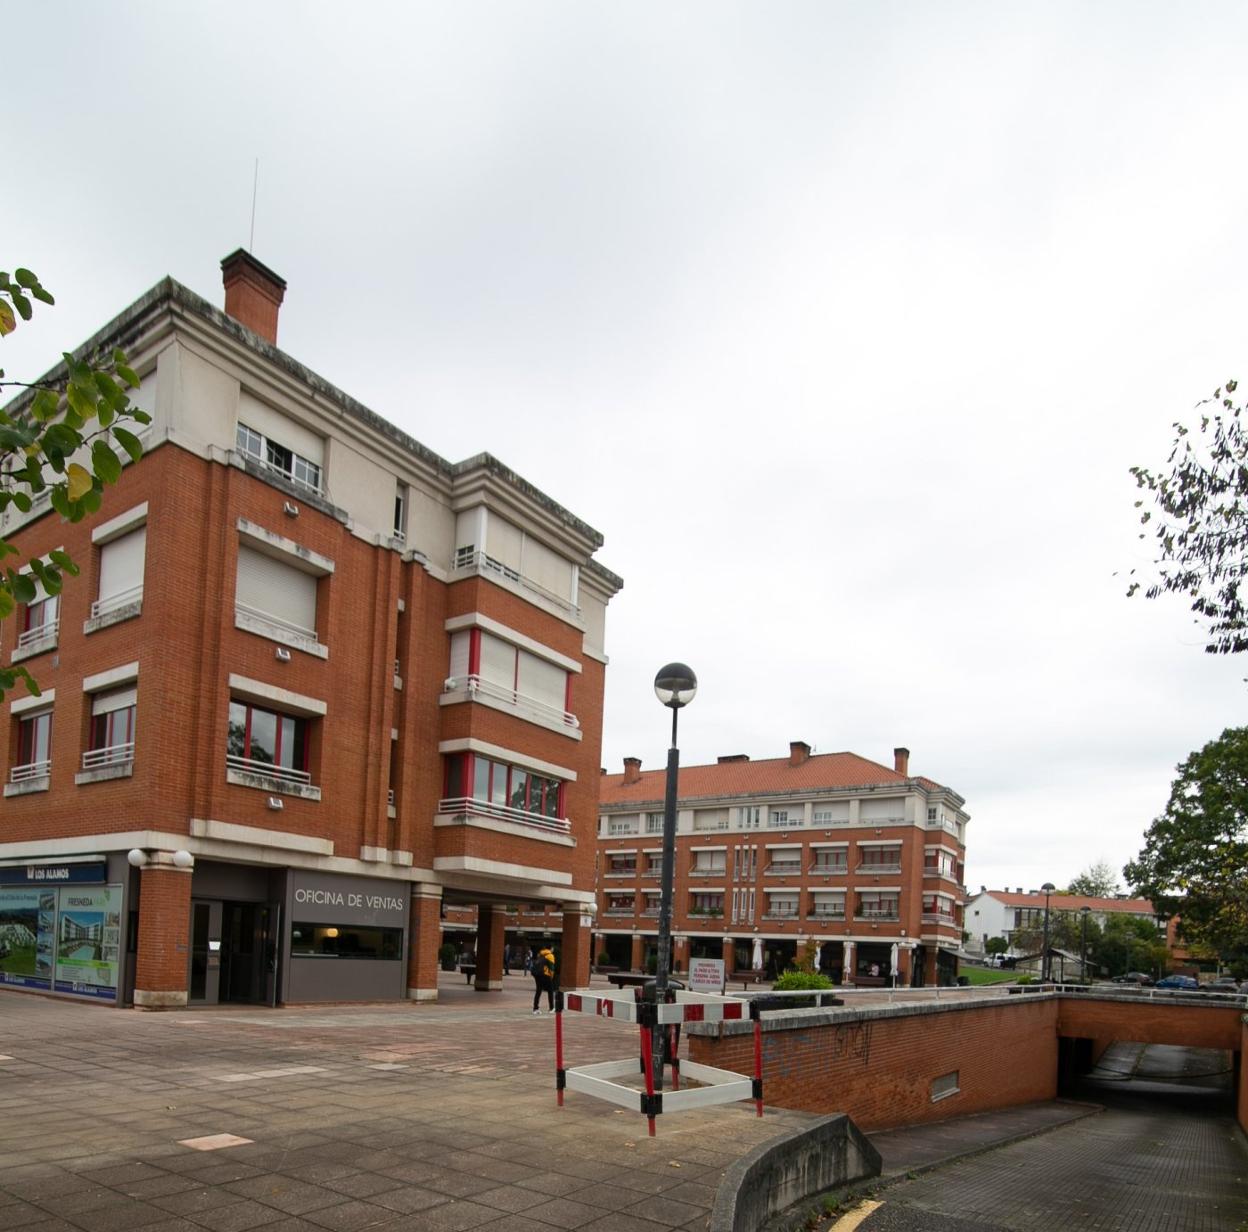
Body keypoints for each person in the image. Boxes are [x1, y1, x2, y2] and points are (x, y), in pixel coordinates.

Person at [531, 945, 556, 1014]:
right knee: (550, 991)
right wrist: (551, 976)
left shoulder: (540, 954)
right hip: (545, 975)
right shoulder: (550, 955)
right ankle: (551, 1008)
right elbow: (551, 968)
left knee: (538, 991)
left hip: (537, 975)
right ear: (551, 948)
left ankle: (535, 1009)